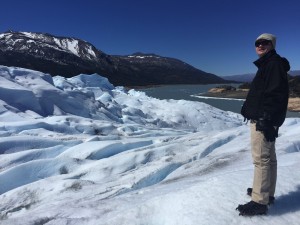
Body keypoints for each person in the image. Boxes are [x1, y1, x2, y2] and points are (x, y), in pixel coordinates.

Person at [236, 33, 290, 216]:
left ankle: (259, 201)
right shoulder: (269, 64)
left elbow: (275, 94)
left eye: (264, 42)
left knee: (261, 160)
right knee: (269, 159)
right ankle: (266, 192)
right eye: (257, 43)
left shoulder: (272, 64)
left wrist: (266, 120)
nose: (260, 45)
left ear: (272, 45)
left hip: (263, 121)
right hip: (265, 119)